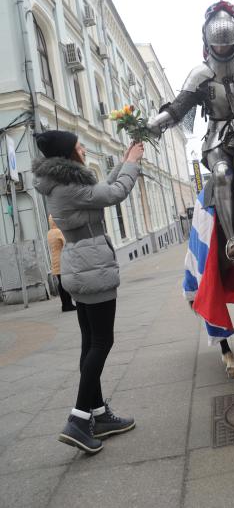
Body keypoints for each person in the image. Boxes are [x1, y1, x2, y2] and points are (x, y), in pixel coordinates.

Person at [32, 129, 144, 455]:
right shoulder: (67, 187)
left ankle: (98, 413)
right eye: (77, 144)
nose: (82, 146)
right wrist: (133, 164)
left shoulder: (65, 183)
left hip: (82, 264)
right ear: (69, 154)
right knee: (101, 342)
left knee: (89, 342)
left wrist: (124, 161)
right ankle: (79, 419)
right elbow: (114, 194)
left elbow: (99, 190)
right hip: (91, 267)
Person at [147, 0, 234, 264]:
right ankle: (233, 240)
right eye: (216, 45)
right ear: (208, 42)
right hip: (218, 139)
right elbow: (180, 107)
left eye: (225, 44)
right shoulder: (199, 75)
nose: (220, 49)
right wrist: (156, 123)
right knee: (221, 175)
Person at [47, 215, 76, 312]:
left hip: (54, 260)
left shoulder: (49, 233)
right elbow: (66, 243)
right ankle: (68, 305)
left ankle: (64, 305)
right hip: (62, 259)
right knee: (65, 283)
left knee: (60, 283)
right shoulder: (59, 232)